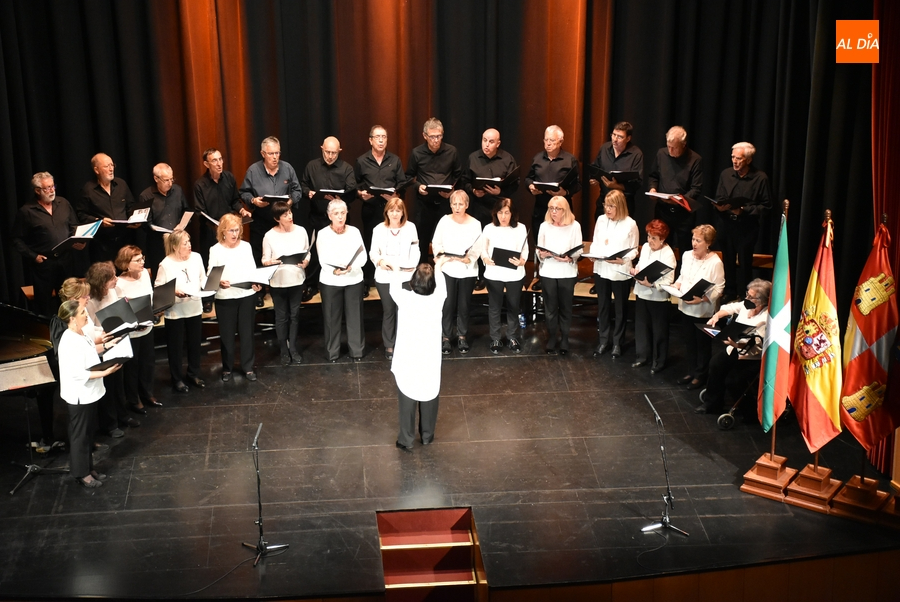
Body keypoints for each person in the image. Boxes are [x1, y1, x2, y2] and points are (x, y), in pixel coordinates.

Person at [56, 300, 121, 488]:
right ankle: (81, 473)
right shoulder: (68, 341)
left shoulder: (81, 333)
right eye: (82, 312)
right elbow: (76, 372)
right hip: (79, 395)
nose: (86, 314)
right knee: (80, 437)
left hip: (90, 392)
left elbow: (92, 352)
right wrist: (105, 373)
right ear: (72, 318)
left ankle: (88, 468)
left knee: (88, 435)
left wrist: (109, 346)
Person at [391, 258, 449, 451]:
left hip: (409, 357)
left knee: (407, 396)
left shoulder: (405, 298)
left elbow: (393, 287)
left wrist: (397, 269)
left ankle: (406, 439)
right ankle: (427, 435)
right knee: (429, 394)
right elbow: (441, 284)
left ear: (412, 283)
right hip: (429, 357)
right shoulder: (438, 298)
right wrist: (439, 267)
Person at [240, 136, 303, 306]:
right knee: (260, 256)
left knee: (282, 255)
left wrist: (290, 201)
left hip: (283, 223)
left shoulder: (287, 168)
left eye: (277, 153)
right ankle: (260, 290)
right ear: (263, 154)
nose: (275, 157)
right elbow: (244, 193)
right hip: (262, 220)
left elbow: (297, 190)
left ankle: (282, 288)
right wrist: (254, 201)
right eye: (271, 154)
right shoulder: (253, 171)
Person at [695, 279, 771, 414]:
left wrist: (737, 344)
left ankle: (749, 412)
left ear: (761, 300)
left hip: (751, 356)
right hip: (734, 348)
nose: (746, 298)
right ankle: (712, 404)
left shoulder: (765, 319)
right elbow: (729, 308)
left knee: (733, 380)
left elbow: (756, 343)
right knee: (715, 364)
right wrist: (716, 316)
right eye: (747, 294)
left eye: (750, 297)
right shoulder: (746, 305)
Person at [12, 171, 82, 316]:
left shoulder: (63, 203)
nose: (51, 191)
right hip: (44, 264)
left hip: (66, 259)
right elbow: (16, 239)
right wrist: (33, 256)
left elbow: (74, 226)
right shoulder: (27, 211)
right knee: (43, 304)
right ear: (37, 190)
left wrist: (79, 240)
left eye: (53, 186)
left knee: (69, 300)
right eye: (47, 188)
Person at [85, 261, 139, 437]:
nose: (116, 279)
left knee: (118, 382)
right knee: (107, 384)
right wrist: (104, 333)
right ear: (102, 282)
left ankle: (123, 416)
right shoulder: (90, 301)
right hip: (102, 344)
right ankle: (110, 424)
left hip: (118, 339)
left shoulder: (114, 290)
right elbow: (90, 327)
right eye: (112, 278)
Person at [713, 142, 772, 299]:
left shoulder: (760, 178)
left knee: (745, 264)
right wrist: (719, 206)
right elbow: (719, 196)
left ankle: (745, 296)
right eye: (733, 157)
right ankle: (729, 294)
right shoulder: (726, 174)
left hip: (746, 227)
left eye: (739, 158)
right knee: (728, 262)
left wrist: (744, 210)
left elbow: (766, 207)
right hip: (726, 225)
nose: (735, 161)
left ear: (748, 160)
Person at [463, 128, 519, 290]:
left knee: (501, 242)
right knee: (481, 242)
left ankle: (502, 275)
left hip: (500, 209)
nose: (487, 144)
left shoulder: (507, 159)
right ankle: (481, 276)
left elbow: (515, 183)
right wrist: (473, 191)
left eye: (491, 141)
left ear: (498, 143)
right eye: (484, 140)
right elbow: (465, 180)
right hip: (479, 207)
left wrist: (501, 191)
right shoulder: (473, 157)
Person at [525, 125, 581, 290]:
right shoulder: (537, 158)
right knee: (542, 243)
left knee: (562, 242)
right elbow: (528, 178)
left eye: (552, 140)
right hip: (542, 207)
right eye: (546, 140)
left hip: (563, 209)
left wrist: (566, 191)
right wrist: (531, 187)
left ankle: (566, 274)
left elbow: (578, 184)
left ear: (560, 141)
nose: (548, 144)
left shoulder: (569, 159)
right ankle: (542, 276)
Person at [301, 136, 357, 298]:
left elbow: (352, 190)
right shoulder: (312, 166)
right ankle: (312, 285)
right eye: (327, 152)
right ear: (322, 149)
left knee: (342, 250)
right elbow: (303, 185)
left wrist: (342, 197)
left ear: (339, 151)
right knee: (317, 252)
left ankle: (343, 280)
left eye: (334, 153)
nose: (330, 156)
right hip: (318, 216)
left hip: (340, 219)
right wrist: (308, 193)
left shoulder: (346, 168)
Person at [208, 213, 261, 381]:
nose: (234, 234)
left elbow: (252, 270)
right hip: (225, 296)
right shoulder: (215, 250)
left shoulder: (246, 247)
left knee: (247, 333)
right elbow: (211, 274)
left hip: (246, 294)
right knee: (227, 334)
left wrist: (256, 283)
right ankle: (227, 368)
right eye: (231, 230)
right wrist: (219, 281)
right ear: (223, 231)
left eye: (237, 230)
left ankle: (248, 367)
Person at [355, 126, 409, 288]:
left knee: (392, 242)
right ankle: (370, 280)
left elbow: (402, 183)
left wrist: (396, 195)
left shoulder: (395, 160)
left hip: (391, 210)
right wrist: (360, 194)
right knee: (371, 242)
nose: (381, 140)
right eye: (377, 137)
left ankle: (394, 273)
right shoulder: (361, 161)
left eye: (384, 137)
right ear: (370, 140)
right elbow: (355, 184)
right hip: (370, 208)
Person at [673, 224, 725, 390]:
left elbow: (719, 288)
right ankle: (691, 371)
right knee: (689, 342)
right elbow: (682, 275)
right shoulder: (688, 255)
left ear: (708, 243)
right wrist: (677, 284)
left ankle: (701, 375)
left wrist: (702, 299)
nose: (694, 243)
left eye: (698, 241)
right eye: (693, 239)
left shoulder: (715, 262)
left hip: (703, 310)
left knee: (702, 344)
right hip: (685, 306)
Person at [316, 199, 367, 362]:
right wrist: (334, 269)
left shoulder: (354, 232)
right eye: (336, 214)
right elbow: (322, 258)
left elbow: (363, 255)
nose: (340, 217)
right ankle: (332, 352)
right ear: (329, 215)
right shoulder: (323, 233)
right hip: (331, 280)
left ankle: (357, 350)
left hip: (353, 279)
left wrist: (352, 267)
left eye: (343, 213)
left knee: (355, 317)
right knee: (331, 318)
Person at [156, 229, 207, 392]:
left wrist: (210, 286)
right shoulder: (166, 264)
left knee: (194, 344)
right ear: (176, 246)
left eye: (189, 242)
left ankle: (193, 373)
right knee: (176, 347)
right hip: (176, 310)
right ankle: (177, 378)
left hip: (194, 306)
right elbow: (158, 287)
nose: (189, 245)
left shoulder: (197, 258)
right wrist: (174, 291)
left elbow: (202, 278)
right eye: (185, 243)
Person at [369, 198, 419, 360]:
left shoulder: (410, 227)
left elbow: (415, 251)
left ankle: (404, 344)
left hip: (406, 276)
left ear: (403, 212)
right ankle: (389, 345)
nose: (395, 214)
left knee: (404, 311)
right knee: (389, 310)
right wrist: (381, 261)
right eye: (392, 210)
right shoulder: (379, 229)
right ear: (387, 212)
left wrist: (409, 265)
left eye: (398, 210)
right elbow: (373, 253)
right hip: (385, 276)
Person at [405, 117, 462, 260]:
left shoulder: (451, 151)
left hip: (445, 203)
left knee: (447, 239)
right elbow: (408, 176)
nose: (436, 140)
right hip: (424, 204)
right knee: (422, 240)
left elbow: (459, 175)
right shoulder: (417, 153)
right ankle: (423, 272)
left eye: (439, 136)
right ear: (425, 136)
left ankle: (445, 270)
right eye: (432, 137)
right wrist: (418, 187)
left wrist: (452, 191)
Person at [432, 190, 481, 355]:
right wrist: (442, 256)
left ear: (467, 205)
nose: (457, 207)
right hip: (448, 268)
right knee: (447, 304)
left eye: (460, 204)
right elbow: (436, 242)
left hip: (467, 270)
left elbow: (478, 246)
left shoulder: (475, 223)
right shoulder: (444, 221)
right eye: (454, 204)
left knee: (464, 304)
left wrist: (470, 258)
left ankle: (462, 336)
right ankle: (446, 337)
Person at [591, 190, 639, 359]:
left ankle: (618, 342)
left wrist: (623, 259)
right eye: (606, 205)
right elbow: (596, 242)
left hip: (620, 271)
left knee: (620, 309)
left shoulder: (630, 223)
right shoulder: (601, 220)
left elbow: (634, 250)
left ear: (620, 206)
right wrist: (593, 255)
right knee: (603, 306)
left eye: (611, 206)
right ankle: (603, 340)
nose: (608, 209)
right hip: (602, 269)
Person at [262, 200, 309, 365]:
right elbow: (264, 259)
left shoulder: (301, 231)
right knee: (281, 316)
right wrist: (271, 261)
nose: (290, 216)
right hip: (278, 281)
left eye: (290, 212)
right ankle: (283, 349)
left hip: (296, 279)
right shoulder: (269, 235)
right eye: (285, 215)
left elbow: (306, 252)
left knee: (295, 315)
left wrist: (305, 262)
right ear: (277, 219)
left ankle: (293, 347)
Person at [194, 148, 251, 282]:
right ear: (206, 164)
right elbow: (200, 212)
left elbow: (235, 200)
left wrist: (242, 210)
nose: (219, 164)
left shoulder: (229, 178)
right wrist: (216, 225)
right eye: (214, 160)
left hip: (230, 230)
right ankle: (210, 297)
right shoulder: (200, 185)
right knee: (213, 264)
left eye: (220, 159)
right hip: (211, 231)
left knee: (233, 260)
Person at [647, 126, 703, 261]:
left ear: (683, 145)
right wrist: (653, 188)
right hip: (663, 210)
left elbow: (696, 188)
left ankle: (683, 279)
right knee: (662, 248)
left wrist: (679, 200)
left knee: (685, 250)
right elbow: (653, 176)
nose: (670, 150)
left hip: (684, 213)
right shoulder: (661, 154)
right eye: (668, 146)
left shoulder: (695, 159)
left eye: (674, 147)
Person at [481, 198, 528, 354]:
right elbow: (483, 248)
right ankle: (495, 338)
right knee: (494, 307)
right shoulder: (489, 228)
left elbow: (525, 250)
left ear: (512, 213)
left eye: (506, 212)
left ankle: (512, 336)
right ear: (496, 213)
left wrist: (522, 261)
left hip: (514, 273)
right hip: (494, 273)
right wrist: (486, 258)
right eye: (500, 212)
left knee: (513, 306)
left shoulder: (521, 228)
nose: (503, 216)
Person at [537, 196, 583, 355]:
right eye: (551, 208)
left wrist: (570, 257)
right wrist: (542, 254)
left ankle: (564, 337)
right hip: (549, 271)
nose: (554, 212)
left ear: (565, 210)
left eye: (557, 209)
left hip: (567, 272)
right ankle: (551, 336)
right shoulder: (544, 226)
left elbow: (578, 250)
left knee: (565, 307)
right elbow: (539, 249)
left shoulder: (574, 226)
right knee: (550, 307)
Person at [630, 219, 677, 373]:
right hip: (642, 294)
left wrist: (652, 284)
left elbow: (669, 281)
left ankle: (659, 361)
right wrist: (635, 271)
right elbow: (640, 265)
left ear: (662, 239)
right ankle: (642, 357)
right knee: (642, 327)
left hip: (658, 298)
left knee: (659, 331)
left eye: (654, 238)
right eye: (649, 237)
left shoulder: (668, 254)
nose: (650, 241)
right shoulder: (645, 248)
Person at [114, 246, 156, 413]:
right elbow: (120, 310)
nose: (142, 262)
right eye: (137, 260)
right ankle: (133, 399)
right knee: (133, 366)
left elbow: (150, 297)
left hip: (147, 327)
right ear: (126, 263)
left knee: (147, 363)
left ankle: (147, 393)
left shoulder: (145, 274)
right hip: (131, 331)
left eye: (142, 258)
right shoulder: (119, 283)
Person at [76, 153, 138, 263]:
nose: (111, 169)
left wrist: (135, 220)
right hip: (102, 245)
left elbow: (130, 207)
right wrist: (99, 222)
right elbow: (81, 214)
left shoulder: (121, 184)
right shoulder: (88, 190)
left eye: (112, 165)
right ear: (96, 170)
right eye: (106, 166)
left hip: (124, 242)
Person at [139, 163, 191, 274]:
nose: (170, 183)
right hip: (158, 244)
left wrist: (182, 225)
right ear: (156, 179)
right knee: (162, 275)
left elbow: (186, 211)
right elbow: (146, 223)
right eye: (166, 180)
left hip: (178, 242)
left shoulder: (178, 191)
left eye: (172, 179)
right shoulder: (146, 196)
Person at [589, 121, 644, 221]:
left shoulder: (636, 154)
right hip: (604, 201)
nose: (615, 139)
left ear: (628, 138)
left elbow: (637, 183)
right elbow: (595, 167)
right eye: (613, 135)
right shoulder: (605, 148)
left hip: (624, 204)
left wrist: (617, 186)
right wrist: (594, 178)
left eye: (620, 137)